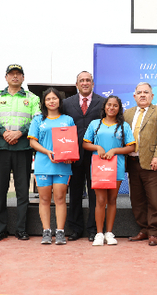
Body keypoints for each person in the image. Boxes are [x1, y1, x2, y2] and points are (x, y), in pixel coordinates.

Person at [0, 64, 41, 241]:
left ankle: (21, 229)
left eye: (18, 74)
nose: (15, 77)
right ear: (6, 77)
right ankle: (0, 229)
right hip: (1, 147)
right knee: (0, 190)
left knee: (22, 192)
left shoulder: (32, 98)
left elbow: (37, 118)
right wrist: (4, 132)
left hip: (23, 148)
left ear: (23, 78)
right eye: (11, 74)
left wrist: (20, 132)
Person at [83, 95, 135, 246]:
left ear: (119, 109)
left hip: (116, 166)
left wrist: (115, 150)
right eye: (109, 105)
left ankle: (109, 233)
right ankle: (99, 233)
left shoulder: (124, 126)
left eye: (115, 106)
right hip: (99, 166)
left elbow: (131, 147)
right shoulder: (95, 124)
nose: (111, 108)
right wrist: (97, 147)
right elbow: (85, 144)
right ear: (104, 107)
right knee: (100, 200)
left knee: (112, 200)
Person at [125, 82, 157, 246]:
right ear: (134, 96)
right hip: (131, 162)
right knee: (137, 200)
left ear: (152, 96)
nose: (143, 95)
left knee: (155, 200)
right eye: (139, 92)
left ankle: (153, 232)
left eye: (146, 92)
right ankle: (143, 230)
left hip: (153, 163)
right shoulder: (127, 113)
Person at [28, 88, 75, 245]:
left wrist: (69, 156)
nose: (52, 101)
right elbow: (32, 142)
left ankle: (60, 232)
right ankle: (46, 231)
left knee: (60, 198)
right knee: (44, 198)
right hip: (43, 163)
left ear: (59, 101)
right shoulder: (38, 120)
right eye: (48, 99)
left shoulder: (67, 120)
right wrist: (47, 152)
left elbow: (71, 143)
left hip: (62, 164)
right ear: (44, 102)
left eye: (54, 98)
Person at [62, 71, 104, 242]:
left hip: (96, 155)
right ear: (77, 84)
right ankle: (75, 228)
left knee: (95, 194)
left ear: (93, 83)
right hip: (73, 155)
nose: (85, 83)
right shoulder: (66, 103)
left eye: (88, 80)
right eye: (82, 80)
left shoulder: (103, 102)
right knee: (75, 193)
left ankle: (94, 229)